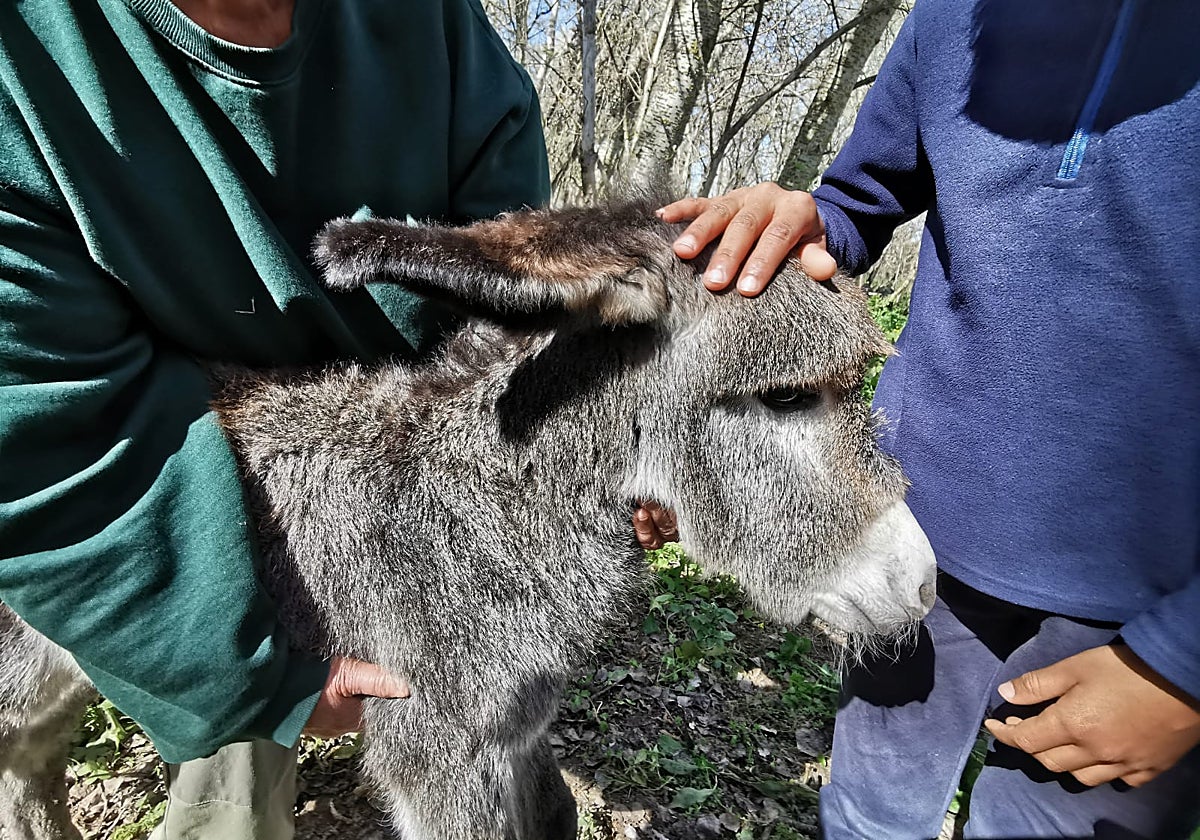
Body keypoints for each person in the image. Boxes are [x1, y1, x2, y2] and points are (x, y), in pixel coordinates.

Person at [0, 0, 665, 837]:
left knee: (497, 703)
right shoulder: (25, 59)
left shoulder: (442, 32)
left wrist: (603, 452)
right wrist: (246, 676)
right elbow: (40, 442)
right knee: (234, 782)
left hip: (420, 455)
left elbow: (509, 316)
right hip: (213, 482)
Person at [658, 0, 1200, 837]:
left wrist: (1181, 666)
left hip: (1145, 600)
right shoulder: (955, 18)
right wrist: (810, 222)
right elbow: (859, 201)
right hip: (916, 522)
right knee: (868, 816)